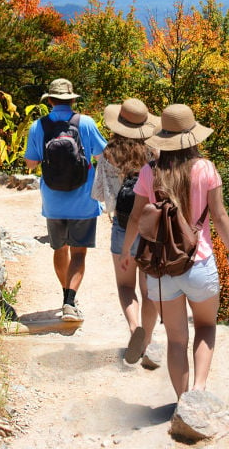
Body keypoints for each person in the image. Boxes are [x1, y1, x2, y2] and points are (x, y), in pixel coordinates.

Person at [120, 103, 229, 399]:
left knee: (176, 340)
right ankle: (198, 392)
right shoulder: (205, 169)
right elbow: (219, 215)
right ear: (192, 137)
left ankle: (181, 401)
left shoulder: (150, 172)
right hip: (199, 263)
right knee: (205, 327)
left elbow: (136, 217)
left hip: (162, 267)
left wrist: (127, 252)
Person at [24, 78, 107, 322]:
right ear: (73, 100)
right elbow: (102, 154)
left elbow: (31, 162)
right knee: (79, 253)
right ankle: (70, 302)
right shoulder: (87, 123)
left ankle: (66, 296)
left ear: (49, 101)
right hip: (83, 200)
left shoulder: (37, 126)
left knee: (59, 248)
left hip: (53, 200)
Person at [92, 97, 161, 367]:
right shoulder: (154, 154)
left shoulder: (108, 154)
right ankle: (148, 340)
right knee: (149, 289)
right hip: (151, 228)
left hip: (122, 225)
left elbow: (99, 195)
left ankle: (134, 328)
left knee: (125, 285)